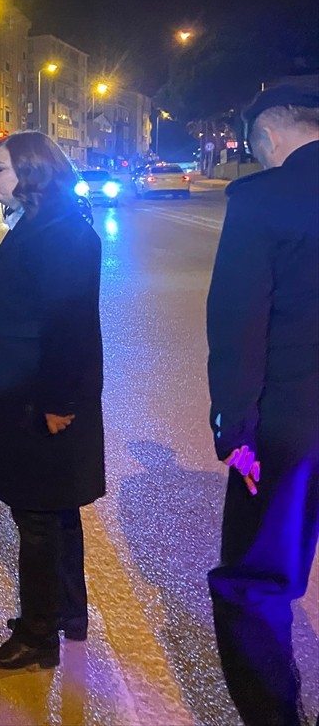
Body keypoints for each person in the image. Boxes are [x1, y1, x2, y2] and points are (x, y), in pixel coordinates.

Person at [206, 85, 319, 726]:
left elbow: (239, 324)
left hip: (290, 425)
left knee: (257, 579)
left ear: (269, 139)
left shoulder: (260, 198)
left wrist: (235, 431)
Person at [0, 131, 104, 670]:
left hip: (43, 398)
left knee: (38, 519)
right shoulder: (39, 223)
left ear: (31, 172)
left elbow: (69, 324)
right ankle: (67, 612)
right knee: (56, 511)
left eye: (0, 167)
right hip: (30, 393)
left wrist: (57, 401)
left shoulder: (61, 232)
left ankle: (38, 634)